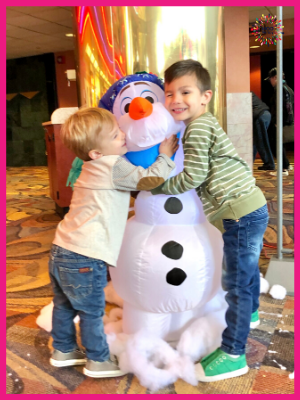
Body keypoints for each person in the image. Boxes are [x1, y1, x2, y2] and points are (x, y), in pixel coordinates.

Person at [151, 59, 268, 382]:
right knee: (247, 272)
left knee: (236, 284)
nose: (175, 100)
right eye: (170, 93)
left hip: (239, 213)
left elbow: (193, 176)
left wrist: (158, 185)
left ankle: (233, 352)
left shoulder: (198, 127)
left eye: (185, 92)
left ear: (206, 96)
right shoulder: (203, 123)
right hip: (250, 207)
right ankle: (253, 312)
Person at [48, 107, 178, 378]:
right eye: (114, 134)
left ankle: (63, 350)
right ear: (97, 152)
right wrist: (165, 156)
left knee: (64, 305)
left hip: (62, 249)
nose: (122, 134)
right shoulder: (113, 165)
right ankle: (98, 360)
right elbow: (148, 179)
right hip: (85, 255)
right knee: (92, 311)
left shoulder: (89, 167)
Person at [265, 67, 294, 176]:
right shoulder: (288, 88)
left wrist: (277, 121)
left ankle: (283, 169)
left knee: (275, 143)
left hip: (280, 121)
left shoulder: (279, 88)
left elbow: (279, 106)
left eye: (270, 79)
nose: (270, 82)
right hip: (288, 121)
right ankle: (286, 165)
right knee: (280, 144)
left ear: (275, 77)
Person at [252, 92, 275, 170]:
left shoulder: (245, 94)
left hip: (260, 116)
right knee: (256, 140)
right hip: (265, 114)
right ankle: (251, 161)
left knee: (261, 141)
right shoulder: (249, 93)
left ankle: (269, 163)